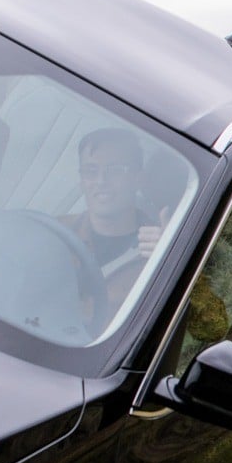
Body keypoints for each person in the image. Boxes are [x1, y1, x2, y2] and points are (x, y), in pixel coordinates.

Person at [59, 127, 166, 319]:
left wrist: (170, 261)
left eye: (115, 170)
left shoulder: (160, 252)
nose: (101, 181)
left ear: (138, 178)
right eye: (91, 171)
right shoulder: (54, 233)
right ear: (82, 179)